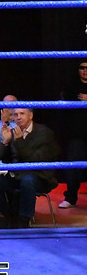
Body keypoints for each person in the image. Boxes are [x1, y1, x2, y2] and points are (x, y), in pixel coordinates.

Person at [0, 107, 60, 228]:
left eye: (22, 114)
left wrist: (19, 141)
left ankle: (24, 220)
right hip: (17, 175)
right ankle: (9, 215)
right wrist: (5, 141)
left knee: (28, 180)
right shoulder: (13, 132)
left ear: (31, 116)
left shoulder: (43, 132)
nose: (18, 117)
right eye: (15, 115)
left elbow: (34, 159)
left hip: (40, 175)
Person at [59, 61, 87, 208]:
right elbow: (64, 107)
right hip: (77, 133)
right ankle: (70, 198)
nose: (85, 71)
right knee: (73, 167)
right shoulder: (71, 86)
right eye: (82, 68)